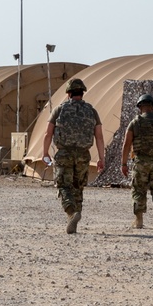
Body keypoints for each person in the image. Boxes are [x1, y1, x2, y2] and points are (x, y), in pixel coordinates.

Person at [41, 78, 105, 234]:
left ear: (68, 93)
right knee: (78, 186)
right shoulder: (92, 111)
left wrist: (45, 153)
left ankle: (71, 212)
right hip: (83, 154)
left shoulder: (59, 110)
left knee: (63, 185)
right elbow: (99, 137)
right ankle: (76, 214)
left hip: (64, 153)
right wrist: (101, 159)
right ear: (82, 93)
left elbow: (48, 133)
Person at [120, 93, 153, 229]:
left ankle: (139, 220)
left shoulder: (135, 123)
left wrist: (124, 164)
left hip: (141, 162)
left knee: (139, 190)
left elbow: (126, 144)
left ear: (140, 107)